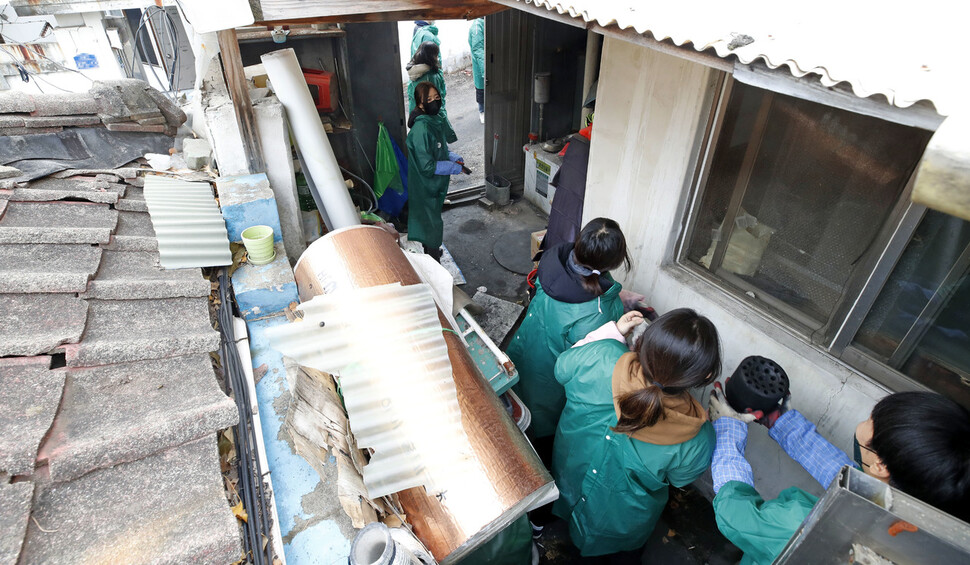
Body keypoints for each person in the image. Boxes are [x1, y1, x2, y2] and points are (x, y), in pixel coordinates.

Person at [708, 387, 970, 565]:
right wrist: (784, 424)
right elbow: (859, 483)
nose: (869, 419)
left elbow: (738, 514)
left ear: (880, 464)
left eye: (874, 418)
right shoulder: (933, 510)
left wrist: (728, 431)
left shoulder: (810, 527)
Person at [550, 308, 721, 559]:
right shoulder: (697, 436)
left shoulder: (602, 355)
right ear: (704, 376)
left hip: (568, 477)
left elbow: (561, 369)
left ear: (643, 342)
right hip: (618, 523)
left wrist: (613, 333)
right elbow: (680, 479)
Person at [507, 218, 642, 448]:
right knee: (534, 429)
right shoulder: (598, 312)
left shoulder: (553, 261)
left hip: (522, 351)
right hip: (549, 380)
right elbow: (588, 362)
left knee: (514, 404)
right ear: (613, 263)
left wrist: (617, 295)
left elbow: (574, 293)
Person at [406, 82, 466, 262]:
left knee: (430, 219)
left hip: (433, 185)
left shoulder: (434, 120)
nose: (434, 102)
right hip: (425, 185)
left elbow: (438, 149)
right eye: (429, 99)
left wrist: (451, 156)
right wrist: (452, 167)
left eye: (437, 98)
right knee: (430, 223)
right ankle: (433, 262)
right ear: (419, 103)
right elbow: (427, 166)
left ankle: (431, 250)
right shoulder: (421, 129)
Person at [406, 41, 457, 144]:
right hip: (428, 117)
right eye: (436, 54)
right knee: (433, 144)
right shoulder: (429, 76)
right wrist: (449, 134)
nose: (437, 57)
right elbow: (436, 105)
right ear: (431, 56)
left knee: (423, 141)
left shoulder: (417, 71)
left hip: (417, 114)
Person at [468, 17, 485, 123]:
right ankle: (482, 111)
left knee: (484, 89)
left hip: (484, 63)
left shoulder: (483, 22)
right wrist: (485, 70)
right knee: (481, 90)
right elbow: (478, 49)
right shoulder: (477, 27)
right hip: (480, 65)